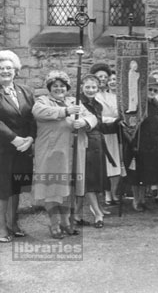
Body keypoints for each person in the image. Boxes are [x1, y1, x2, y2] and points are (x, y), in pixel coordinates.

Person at [32, 71, 85, 238]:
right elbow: (38, 111)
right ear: (49, 88)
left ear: (67, 88)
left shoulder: (74, 102)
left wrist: (83, 121)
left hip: (69, 154)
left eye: (62, 86)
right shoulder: (43, 101)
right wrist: (66, 111)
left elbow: (92, 117)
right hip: (50, 153)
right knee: (52, 190)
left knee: (67, 189)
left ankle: (66, 222)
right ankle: (54, 224)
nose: (59, 88)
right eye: (55, 86)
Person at [0, 50, 35, 242]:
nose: (5, 71)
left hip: (23, 149)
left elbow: (32, 118)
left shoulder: (26, 92)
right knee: (2, 189)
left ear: (16, 70)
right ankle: (1, 229)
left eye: (8, 68)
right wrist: (14, 138)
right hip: (3, 149)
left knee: (16, 186)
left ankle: (13, 223)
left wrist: (30, 138)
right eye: (1, 69)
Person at [74, 74, 117, 229]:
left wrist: (117, 124)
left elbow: (99, 124)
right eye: (87, 87)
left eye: (94, 87)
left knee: (92, 179)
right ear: (81, 88)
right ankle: (97, 213)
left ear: (98, 89)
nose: (91, 90)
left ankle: (77, 215)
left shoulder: (98, 105)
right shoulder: (76, 103)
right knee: (88, 180)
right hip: (83, 144)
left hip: (97, 143)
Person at [127, 74, 158, 212]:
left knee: (147, 174)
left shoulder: (156, 106)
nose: (153, 93)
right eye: (150, 90)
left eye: (156, 91)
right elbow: (131, 123)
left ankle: (143, 199)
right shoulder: (138, 105)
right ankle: (136, 200)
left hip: (152, 144)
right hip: (139, 144)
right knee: (137, 174)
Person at [91, 63, 123, 206]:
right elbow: (94, 115)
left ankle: (114, 192)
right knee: (104, 165)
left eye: (105, 76)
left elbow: (118, 112)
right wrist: (110, 119)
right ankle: (107, 194)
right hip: (100, 132)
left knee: (115, 163)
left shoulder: (113, 96)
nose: (103, 79)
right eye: (100, 77)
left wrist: (117, 119)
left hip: (114, 132)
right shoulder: (93, 95)